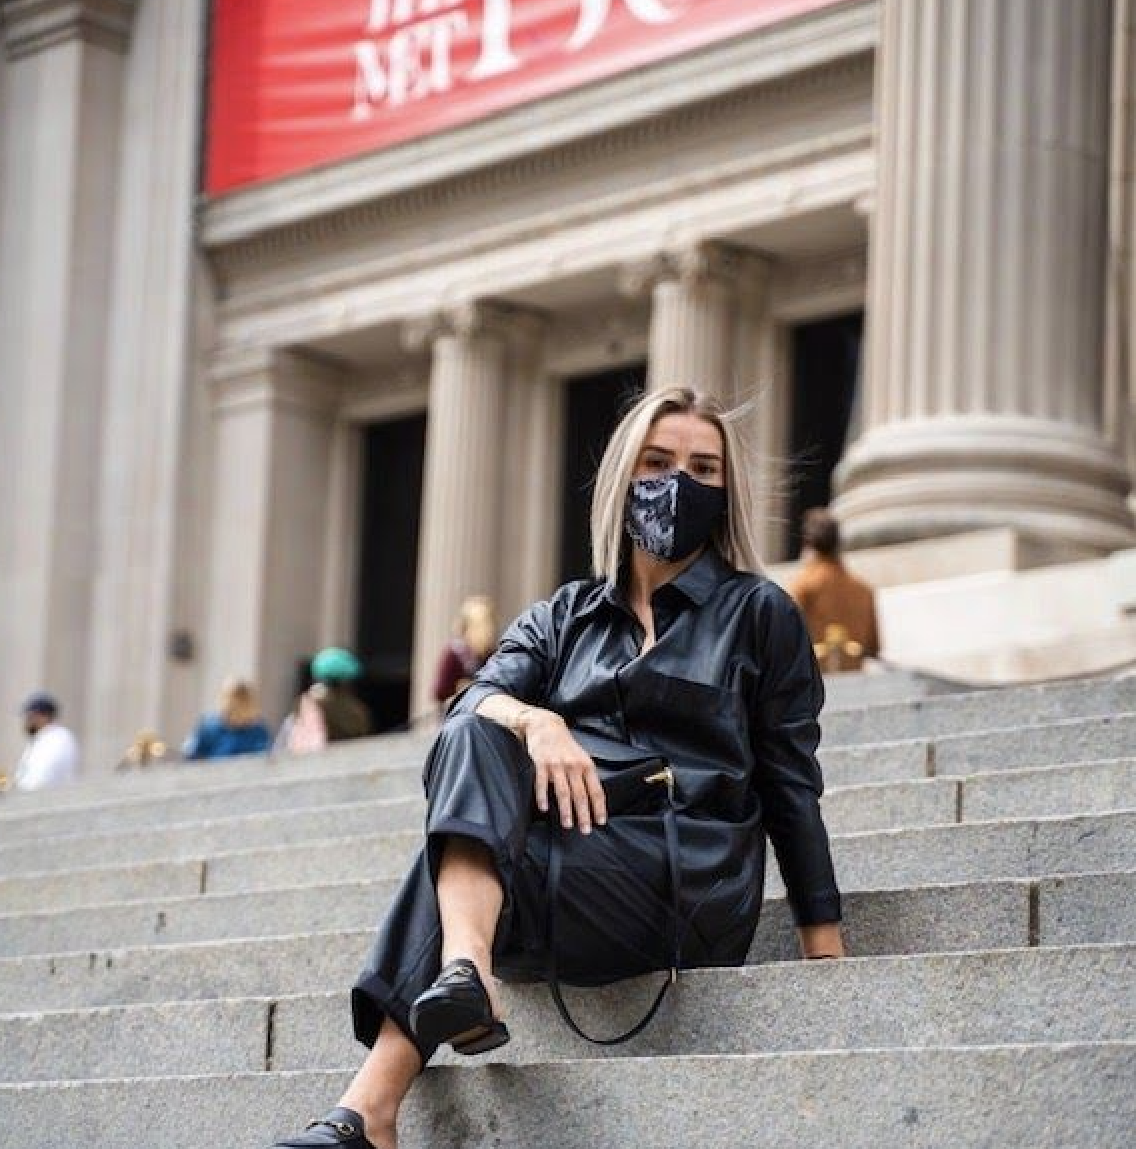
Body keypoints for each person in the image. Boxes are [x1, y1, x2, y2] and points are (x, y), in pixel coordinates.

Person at [269, 385, 845, 1149]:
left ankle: (372, 1102)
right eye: (658, 462)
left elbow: (791, 785)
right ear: (622, 478)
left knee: (456, 854)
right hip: (572, 867)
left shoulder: (759, 612)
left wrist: (825, 955)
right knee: (477, 735)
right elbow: (472, 703)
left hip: (688, 881)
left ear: (726, 491)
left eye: (705, 469)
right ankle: (455, 986)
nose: (682, 483)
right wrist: (536, 719)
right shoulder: (564, 615)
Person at [786, 507, 880, 670]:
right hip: (854, 683)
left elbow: (787, 644)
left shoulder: (802, 587)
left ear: (808, 544)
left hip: (814, 686)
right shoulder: (864, 590)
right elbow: (874, 647)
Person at [431, 595, 497, 708]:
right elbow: (439, 693)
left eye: (489, 623)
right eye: (480, 625)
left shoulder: (494, 655)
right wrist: (461, 691)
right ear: (467, 627)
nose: (488, 630)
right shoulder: (454, 653)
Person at [183, 679, 272, 761]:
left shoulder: (258, 731)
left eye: (242, 703)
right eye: (231, 703)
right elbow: (190, 755)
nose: (235, 709)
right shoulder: (207, 726)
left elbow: (263, 759)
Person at [14, 692, 80, 791]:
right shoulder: (41, 739)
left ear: (43, 716)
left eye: (29, 717)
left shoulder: (57, 739)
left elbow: (41, 780)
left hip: (47, 800)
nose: (26, 722)